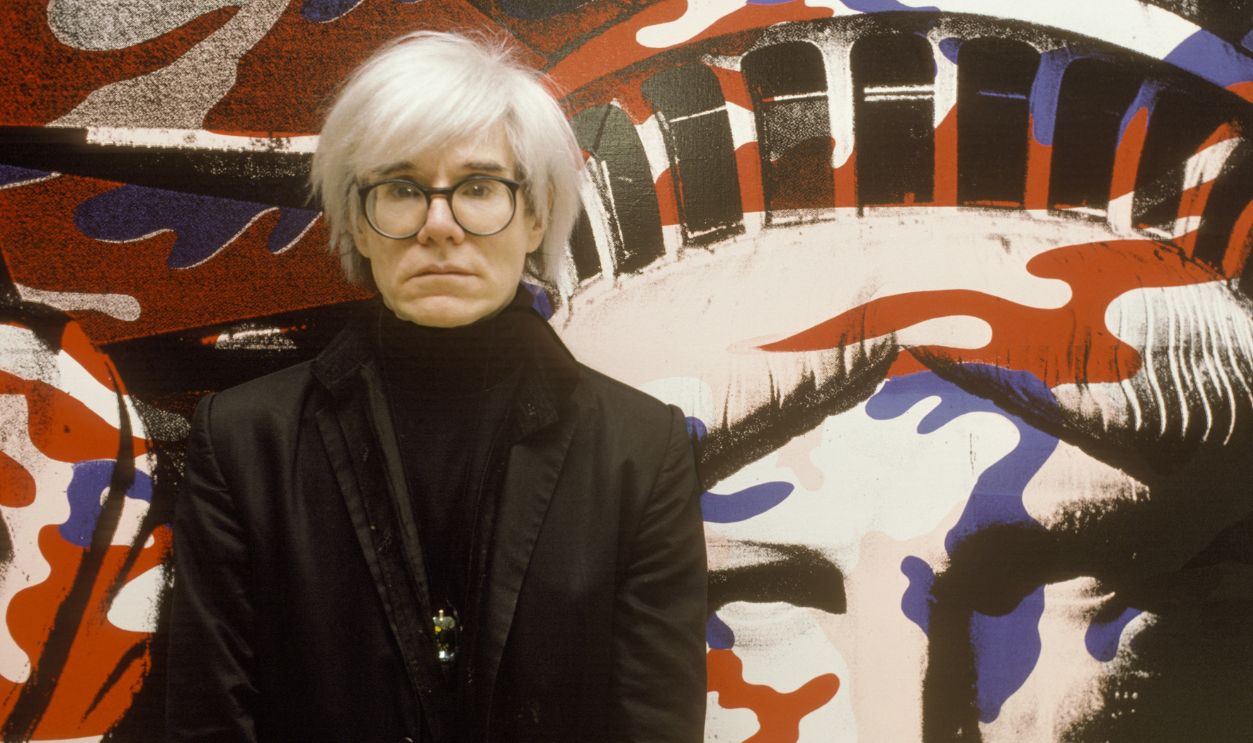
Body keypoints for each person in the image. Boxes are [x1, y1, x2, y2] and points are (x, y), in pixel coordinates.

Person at [166, 30, 707, 742]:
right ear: (359, 223)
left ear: (537, 215)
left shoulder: (639, 449)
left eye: (479, 188)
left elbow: (655, 723)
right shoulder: (244, 441)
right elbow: (209, 719)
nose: (439, 226)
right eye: (400, 189)